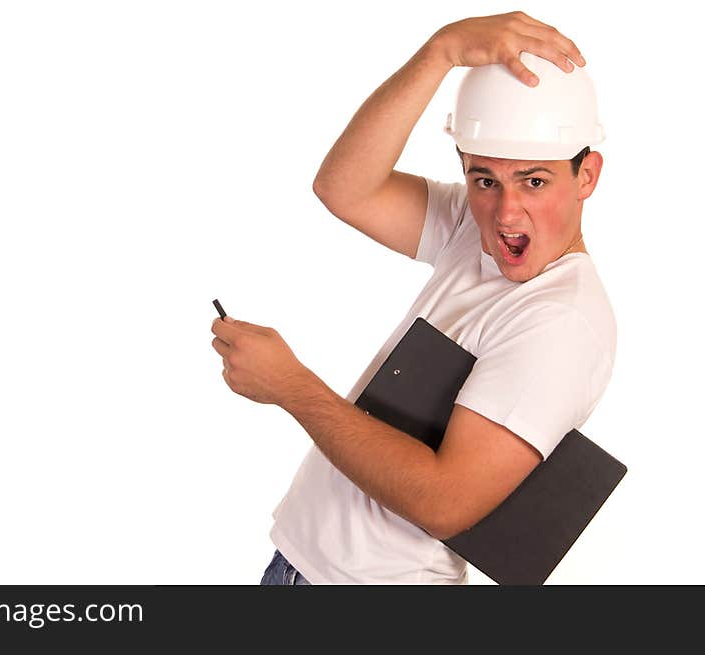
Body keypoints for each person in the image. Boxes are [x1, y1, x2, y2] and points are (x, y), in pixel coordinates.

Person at [210, 11, 615, 584]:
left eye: (535, 180)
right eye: (484, 180)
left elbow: (445, 502)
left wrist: (292, 387)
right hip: (305, 569)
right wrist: (441, 51)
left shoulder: (561, 321)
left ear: (587, 175)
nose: (506, 213)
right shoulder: (473, 234)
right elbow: (345, 187)